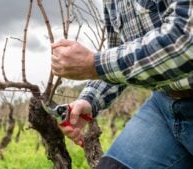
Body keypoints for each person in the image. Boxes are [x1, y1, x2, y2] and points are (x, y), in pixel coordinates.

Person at [51, 0, 193, 168]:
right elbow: (120, 52)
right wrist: (89, 99)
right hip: (164, 105)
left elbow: (185, 39)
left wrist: (94, 64)